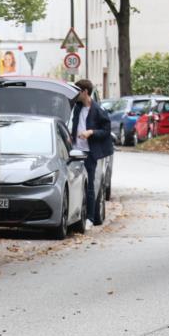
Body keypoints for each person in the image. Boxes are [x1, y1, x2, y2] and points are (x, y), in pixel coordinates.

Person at [70, 78, 114, 228]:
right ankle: (76, 216)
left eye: (78, 92)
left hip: (89, 153)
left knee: (89, 186)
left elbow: (106, 131)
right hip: (75, 152)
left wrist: (91, 132)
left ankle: (90, 218)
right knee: (75, 185)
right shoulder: (76, 107)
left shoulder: (98, 110)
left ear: (85, 92)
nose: (76, 95)